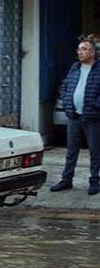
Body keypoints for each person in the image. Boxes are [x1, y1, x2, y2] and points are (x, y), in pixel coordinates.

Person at [50, 37, 100, 195]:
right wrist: (66, 102)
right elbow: (66, 86)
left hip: (92, 117)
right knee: (71, 150)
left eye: (84, 49)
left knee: (94, 150)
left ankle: (94, 181)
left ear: (92, 52)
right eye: (79, 49)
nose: (79, 52)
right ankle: (66, 179)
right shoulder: (75, 67)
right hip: (74, 116)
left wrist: (96, 106)